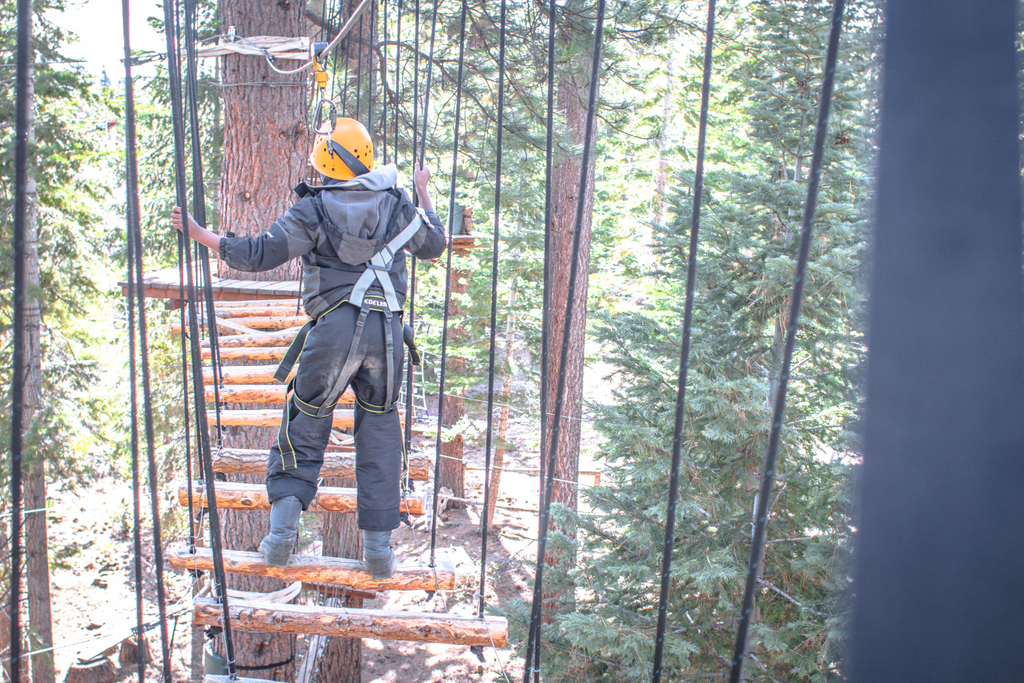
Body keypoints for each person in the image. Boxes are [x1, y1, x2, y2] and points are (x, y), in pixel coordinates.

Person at [172, 117, 446, 579]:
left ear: (325, 159)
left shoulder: (314, 210)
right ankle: (378, 552)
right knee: (379, 430)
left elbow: (259, 254)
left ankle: (280, 538)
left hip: (333, 331)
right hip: (387, 334)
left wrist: (202, 235)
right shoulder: (398, 203)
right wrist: (422, 190)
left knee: (306, 419)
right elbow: (434, 244)